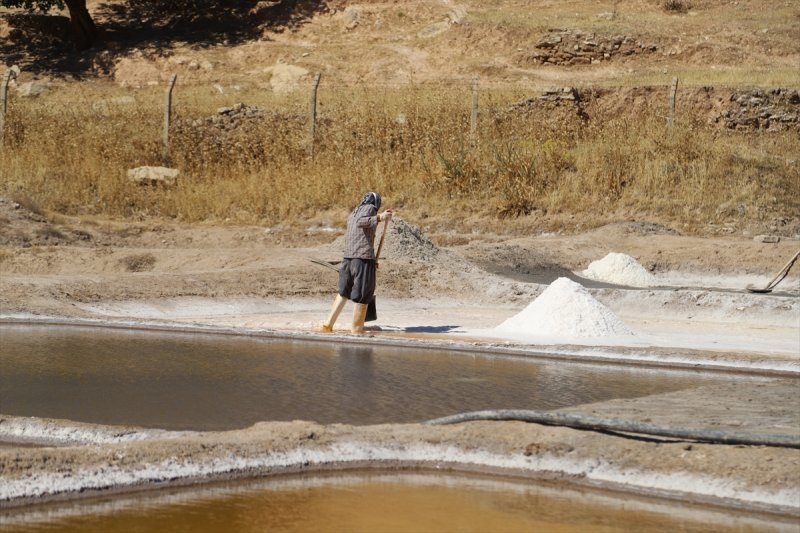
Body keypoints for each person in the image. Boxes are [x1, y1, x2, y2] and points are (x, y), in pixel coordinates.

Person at [323, 191, 393, 334]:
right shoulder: (370, 209)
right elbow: (363, 221)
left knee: (344, 291)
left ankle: (328, 324)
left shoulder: (354, 212)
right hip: (362, 259)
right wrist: (381, 217)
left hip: (349, 258)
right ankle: (357, 329)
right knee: (364, 292)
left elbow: (360, 226)